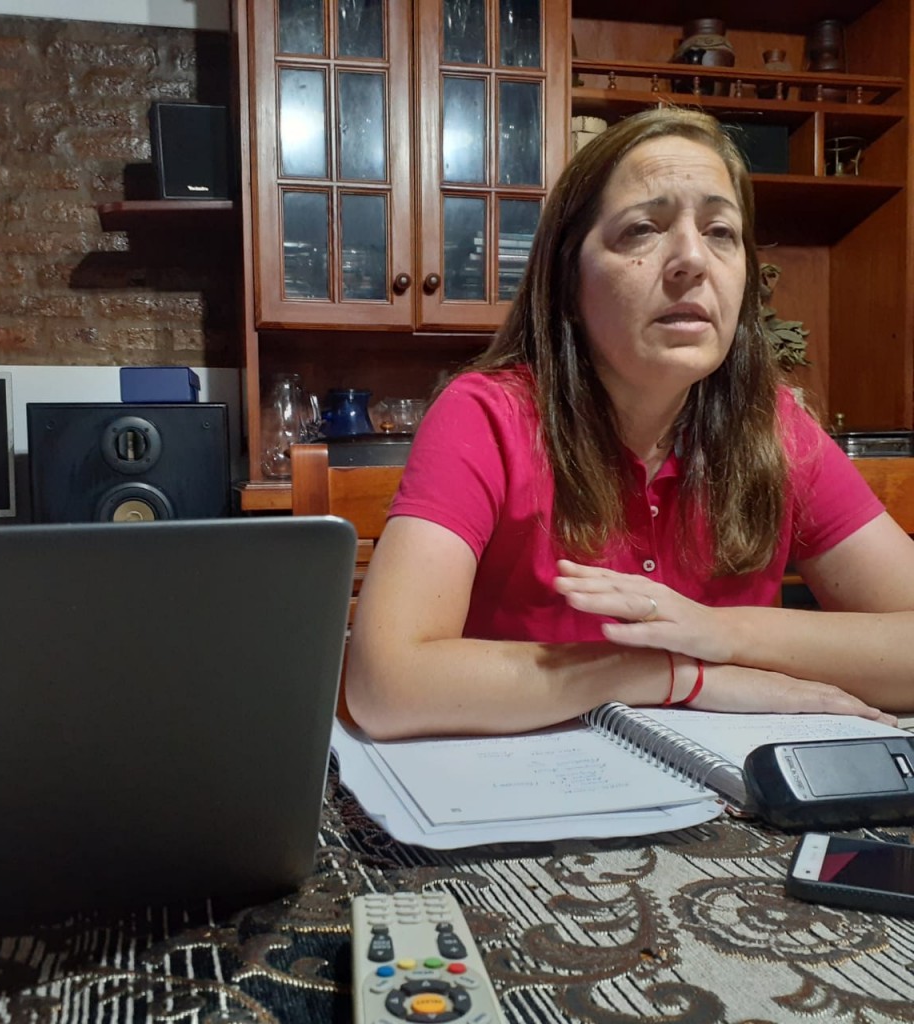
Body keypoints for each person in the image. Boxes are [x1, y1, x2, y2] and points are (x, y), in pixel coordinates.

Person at [345, 107, 914, 740]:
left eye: (721, 231)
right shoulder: (487, 415)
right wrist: (672, 673)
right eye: (643, 229)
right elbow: (385, 684)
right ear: (568, 283)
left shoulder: (775, 427)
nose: (692, 260)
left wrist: (718, 631)